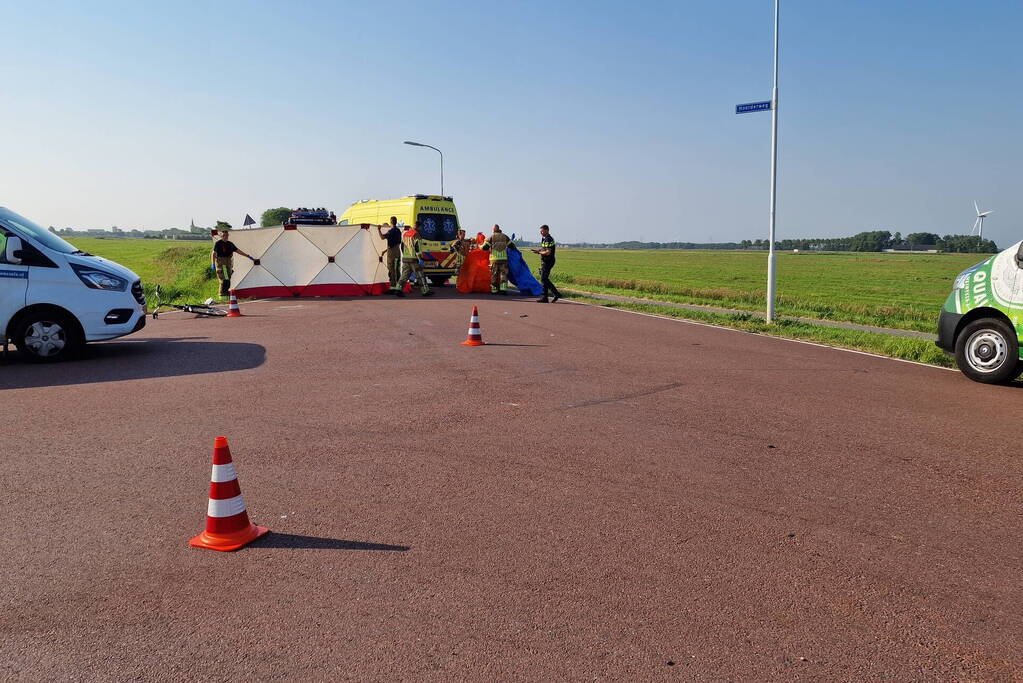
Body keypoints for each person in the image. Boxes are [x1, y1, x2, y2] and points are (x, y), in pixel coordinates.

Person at [211, 227, 253, 297]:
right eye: (224, 235)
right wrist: (212, 264)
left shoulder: (230, 244)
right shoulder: (218, 243)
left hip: (229, 263)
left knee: (228, 278)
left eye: (226, 235)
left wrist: (247, 255)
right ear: (221, 236)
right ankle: (222, 294)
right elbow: (213, 254)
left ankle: (225, 293)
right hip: (222, 264)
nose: (225, 237)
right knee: (225, 279)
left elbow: (238, 251)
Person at [396, 221, 434, 297]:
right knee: (420, 275)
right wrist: (420, 259)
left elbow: (402, 246)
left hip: (406, 258)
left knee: (404, 275)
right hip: (414, 259)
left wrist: (405, 255)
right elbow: (417, 248)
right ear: (419, 227)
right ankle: (425, 291)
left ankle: (398, 289)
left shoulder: (405, 234)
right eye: (421, 227)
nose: (421, 229)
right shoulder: (416, 235)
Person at [530, 224, 561, 303]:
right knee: (544, 279)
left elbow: (547, 252)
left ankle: (554, 294)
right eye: (540, 232)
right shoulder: (544, 239)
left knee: (544, 278)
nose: (541, 233)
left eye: (542, 231)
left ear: (547, 230)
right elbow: (543, 249)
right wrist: (538, 251)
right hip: (545, 261)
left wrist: (539, 252)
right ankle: (546, 297)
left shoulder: (549, 239)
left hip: (548, 261)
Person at [481, 224, 515, 295]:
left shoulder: (491, 237)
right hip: (503, 259)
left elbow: (485, 248)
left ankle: (494, 290)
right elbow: (512, 246)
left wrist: (479, 246)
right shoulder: (505, 236)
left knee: (494, 274)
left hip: (494, 259)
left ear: (493, 230)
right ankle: (503, 290)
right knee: (503, 274)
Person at [377, 216, 402, 293]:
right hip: (397, 251)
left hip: (392, 253)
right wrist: (385, 251)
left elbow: (382, 237)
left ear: (390, 222)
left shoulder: (391, 231)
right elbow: (396, 243)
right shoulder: (398, 231)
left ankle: (393, 287)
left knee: (392, 269)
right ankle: (398, 286)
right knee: (397, 269)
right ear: (396, 222)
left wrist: (379, 230)